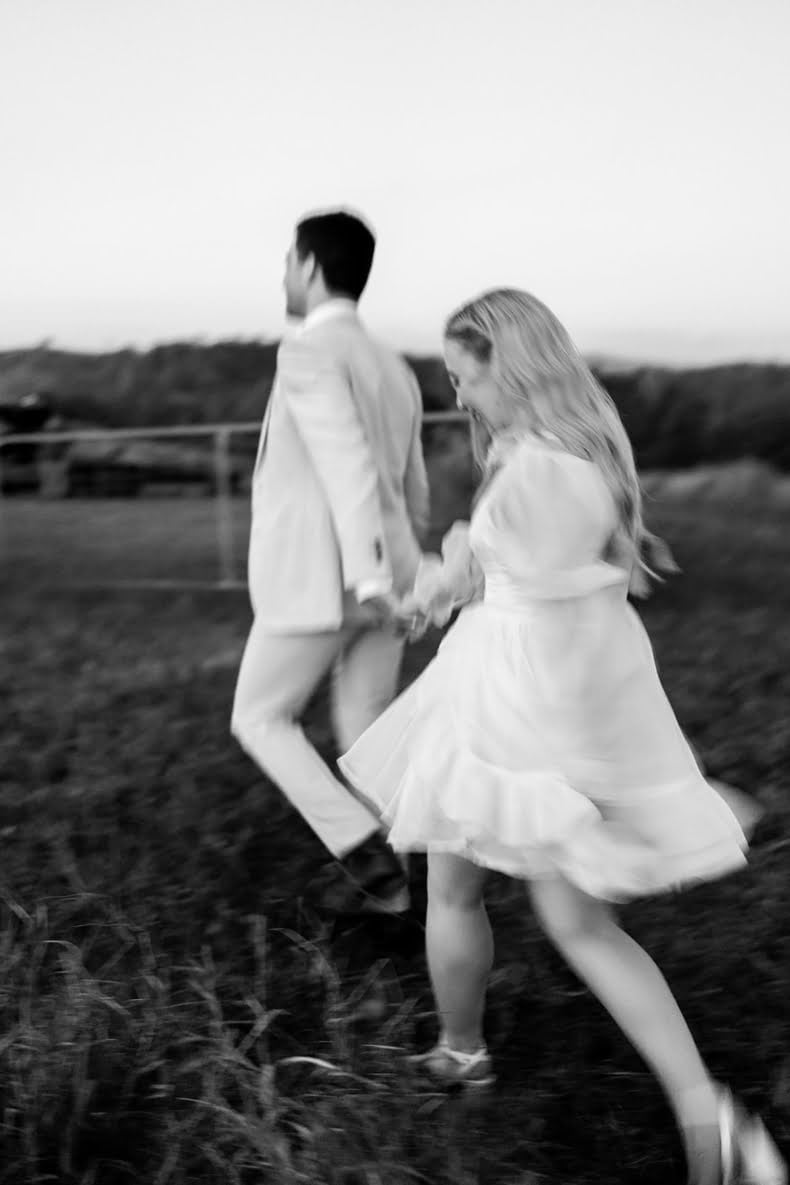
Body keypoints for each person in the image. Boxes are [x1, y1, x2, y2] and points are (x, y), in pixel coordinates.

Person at [339, 289, 785, 1185]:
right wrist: (444, 584)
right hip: (548, 684)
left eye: (465, 377)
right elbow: (516, 575)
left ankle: (479, 1055)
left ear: (513, 368)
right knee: (537, 908)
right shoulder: (570, 453)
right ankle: (683, 1105)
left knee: (495, 897)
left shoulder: (537, 471)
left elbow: (510, 584)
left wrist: (428, 592)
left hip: (513, 698)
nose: (458, 395)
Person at [231, 209, 430, 915]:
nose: (284, 273)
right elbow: (412, 486)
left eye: (290, 260)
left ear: (312, 266)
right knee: (367, 727)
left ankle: (361, 849)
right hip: (390, 573)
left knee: (260, 718)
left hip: (329, 578)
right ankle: (420, 880)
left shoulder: (307, 351)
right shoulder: (393, 365)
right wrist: (403, 572)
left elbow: (347, 464)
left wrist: (369, 576)